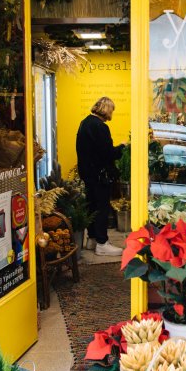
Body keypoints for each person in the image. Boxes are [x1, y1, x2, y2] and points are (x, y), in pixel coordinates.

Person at [76, 97, 125, 256]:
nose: (112, 114)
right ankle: (102, 244)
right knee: (102, 208)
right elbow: (108, 154)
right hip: (100, 175)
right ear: (107, 109)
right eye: (112, 110)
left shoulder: (85, 123)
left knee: (91, 206)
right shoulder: (100, 127)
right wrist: (123, 147)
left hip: (88, 174)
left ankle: (92, 239)